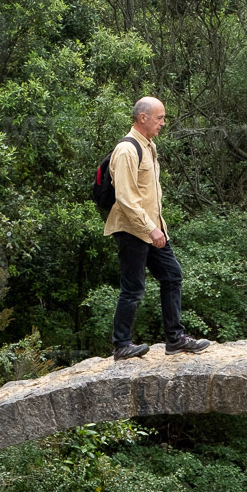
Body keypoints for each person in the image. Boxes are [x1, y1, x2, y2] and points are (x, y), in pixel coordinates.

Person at [105, 97, 211, 360]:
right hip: (132, 229)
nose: (163, 123)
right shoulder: (127, 150)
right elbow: (126, 198)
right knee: (133, 287)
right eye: (159, 118)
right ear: (143, 118)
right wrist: (151, 229)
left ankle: (175, 339)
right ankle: (121, 345)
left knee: (172, 275)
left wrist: (157, 228)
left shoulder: (148, 146)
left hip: (152, 228)